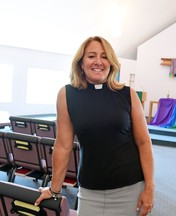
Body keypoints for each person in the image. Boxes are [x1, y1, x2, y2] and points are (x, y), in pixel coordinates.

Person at [35, 36, 155, 216]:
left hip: (130, 189)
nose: (98, 61)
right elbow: (63, 145)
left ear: (111, 63)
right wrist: (54, 189)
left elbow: (144, 143)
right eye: (91, 56)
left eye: (104, 56)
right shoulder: (67, 95)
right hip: (90, 190)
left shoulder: (127, 94)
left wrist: (150, 187)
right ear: (81, 63)